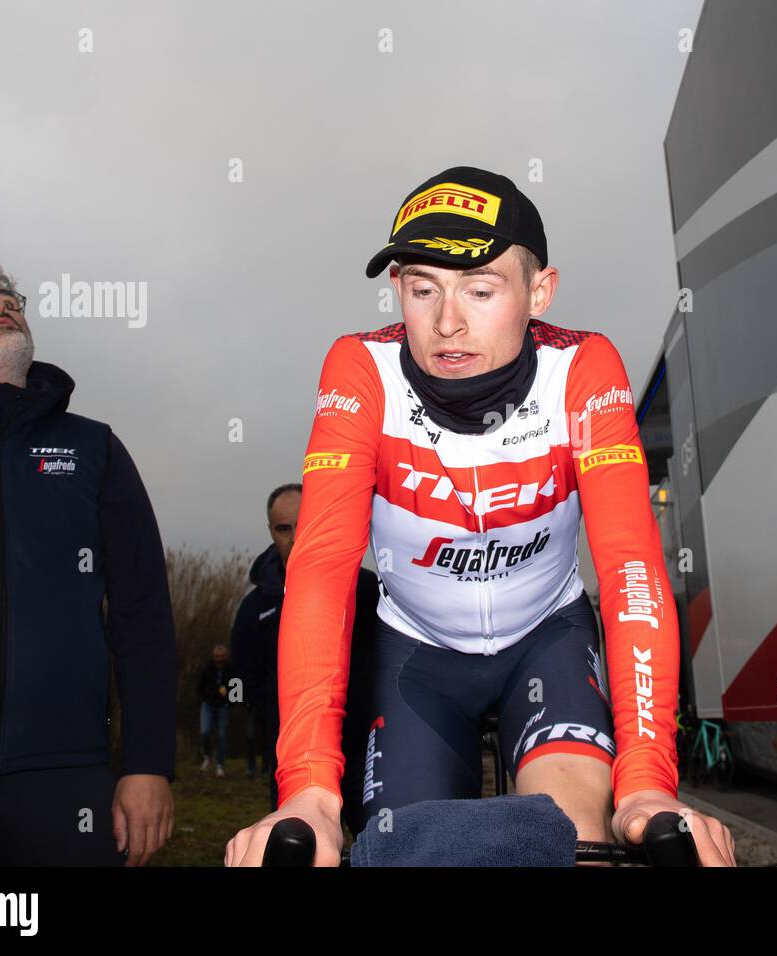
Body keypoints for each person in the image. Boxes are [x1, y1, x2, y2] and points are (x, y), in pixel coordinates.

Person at [226, 167, 735, 867]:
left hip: (545, 640)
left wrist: (646, 784)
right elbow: (320, 574)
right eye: (422, 287)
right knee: (412, 853)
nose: (447, 322)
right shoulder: (360, 371)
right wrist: (309, 790)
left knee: (573, 841)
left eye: (481, 289)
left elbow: (632, 570)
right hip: (417, 658)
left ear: (539, 292)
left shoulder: (583, 368)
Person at [0, 252, 176, 866]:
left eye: (9, 299)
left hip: (66, 777)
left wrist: (149, 764)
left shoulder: (93, 446)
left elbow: (142, 614)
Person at [232, 482, 381, 812]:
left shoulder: (366, 588)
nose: (295, 536)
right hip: (293, 761)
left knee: (379, 845)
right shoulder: (255, 609)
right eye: (284, 528)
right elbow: (245, 678)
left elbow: (386, 659)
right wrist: (275, 720)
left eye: (302, 523)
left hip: (363, 752)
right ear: (271, 531)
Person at [198, 645, 234, 777]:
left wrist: (231, 702)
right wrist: (203, 698)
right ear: (213, 656)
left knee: (222, 736)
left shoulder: (231, 669)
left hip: (223, 706)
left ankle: (220, 765)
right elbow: (200, 686)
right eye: (217, 656)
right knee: (205, 732)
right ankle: (207, 757)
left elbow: (237, 686)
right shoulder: (207, 668)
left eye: (222, 656)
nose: (219, 659)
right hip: (208, 705)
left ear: (225, 656)